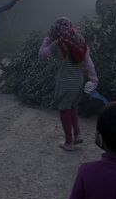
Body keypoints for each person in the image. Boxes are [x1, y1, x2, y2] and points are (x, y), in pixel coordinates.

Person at [39, 17, 98, 151]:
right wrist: (94, 80)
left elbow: (41, 53)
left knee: (64, 110)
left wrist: (47, 38)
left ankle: (68, 142)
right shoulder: (81, 43)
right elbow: (89, 63)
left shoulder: (58, 44)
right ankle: (77, 135)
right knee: (73, 108)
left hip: (65, 81)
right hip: (78, 82)